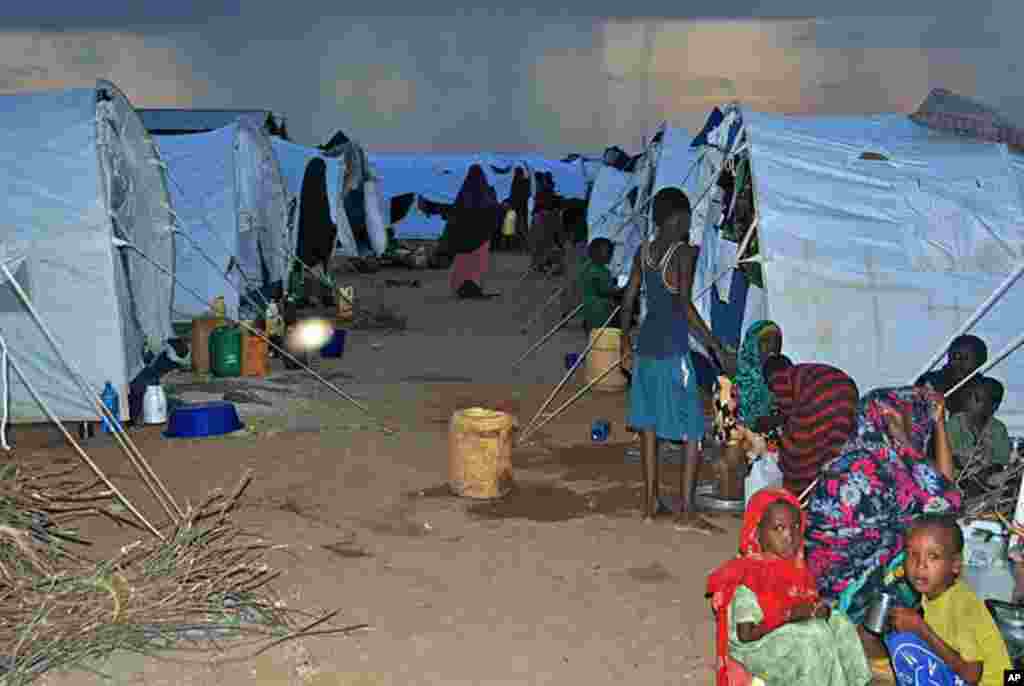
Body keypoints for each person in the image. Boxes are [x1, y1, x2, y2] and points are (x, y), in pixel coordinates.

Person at [620, 187, 735, 529]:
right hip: (672, 351)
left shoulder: (643, 252)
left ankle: (650, 504)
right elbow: (684, 306)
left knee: (650, 427)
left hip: (646, 350)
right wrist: (715, 346)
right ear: (676, 218)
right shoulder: (682, 253)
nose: (688, 224)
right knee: (692, 430)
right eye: (685, 218)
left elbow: (628, 298)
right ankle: (686, 511)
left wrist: (624, 341)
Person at [803, 386, 961, 625]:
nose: (917, 427)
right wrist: (905, 440)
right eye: (911, 420)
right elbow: (949, 504)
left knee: (925, 536)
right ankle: (894, 626)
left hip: (823, 582)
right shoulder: (877, 472)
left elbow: (938, 490)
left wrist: (926, 430)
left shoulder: (850, 459)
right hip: (847, 592)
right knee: (938, 543)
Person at [707, 489, 872, 686]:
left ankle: (858, 682)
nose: (789, 536)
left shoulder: (796, 569)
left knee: (840, 623)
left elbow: (807, 601)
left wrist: (821, 610)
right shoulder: (749, 574)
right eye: (778, 528)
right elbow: (746, 635)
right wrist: (788, 616)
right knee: (814, 635)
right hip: (756, 646)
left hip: (789, 632)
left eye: (795, 527)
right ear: (757, 532)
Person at [886, 514, 1012, 686]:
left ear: (955, 564)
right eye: (912, 554)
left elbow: (972, 674)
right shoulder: (934, 592)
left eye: (933, 556)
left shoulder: (962, 606)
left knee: (903, 644)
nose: (920, 565)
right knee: (898, 638)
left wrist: (921, 629)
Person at [763, 354, 860, 495]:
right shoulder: (803, 372)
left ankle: (797, 497)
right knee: (834, 454)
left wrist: (770, 424)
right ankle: (831, 493)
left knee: (796, 450)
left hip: (823, 395)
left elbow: (786, 412)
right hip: (847, 394)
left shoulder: (780, 377)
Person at [711, 320, 785, 500]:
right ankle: (732, 500)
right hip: (739, 443)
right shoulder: (729, 383)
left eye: (776, 341)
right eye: (765, 342)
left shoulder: (781, 375)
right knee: (731, 457)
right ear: (752, 345)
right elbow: (726, 429)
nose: (772, 347)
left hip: (770, 449)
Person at [446, 165, 502, 299]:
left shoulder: (463, 191)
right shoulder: (487, 191)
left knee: (462, 262)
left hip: (463, 236)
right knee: (477, 264)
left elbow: (455, 213)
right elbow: (493, 211)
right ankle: (474, 287)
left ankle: (460, 287)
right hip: (481, 236)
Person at [945, 376, 1012, 481]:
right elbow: (952, 458)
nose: (971, 401)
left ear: (994, 406)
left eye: (978, 399)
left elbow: (1001, 462)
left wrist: (986, 471)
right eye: (971, 396)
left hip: (986, 483)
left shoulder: (998, 429)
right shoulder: (954, 424)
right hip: (956, 482)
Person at [916, 335, 988, 415]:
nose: (958, 361)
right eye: (955, 356)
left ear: (981, 362)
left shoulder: (984, 389)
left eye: (966, 358)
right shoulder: (929, 381)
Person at [579, 238, 621, 335]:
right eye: (608, 252)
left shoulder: (587, 266)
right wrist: (618, 290)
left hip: (588, 306)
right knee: (602, 335)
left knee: (592, 334)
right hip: (601, 309)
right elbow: (605, 290)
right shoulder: (601, 271)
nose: (611, 255)